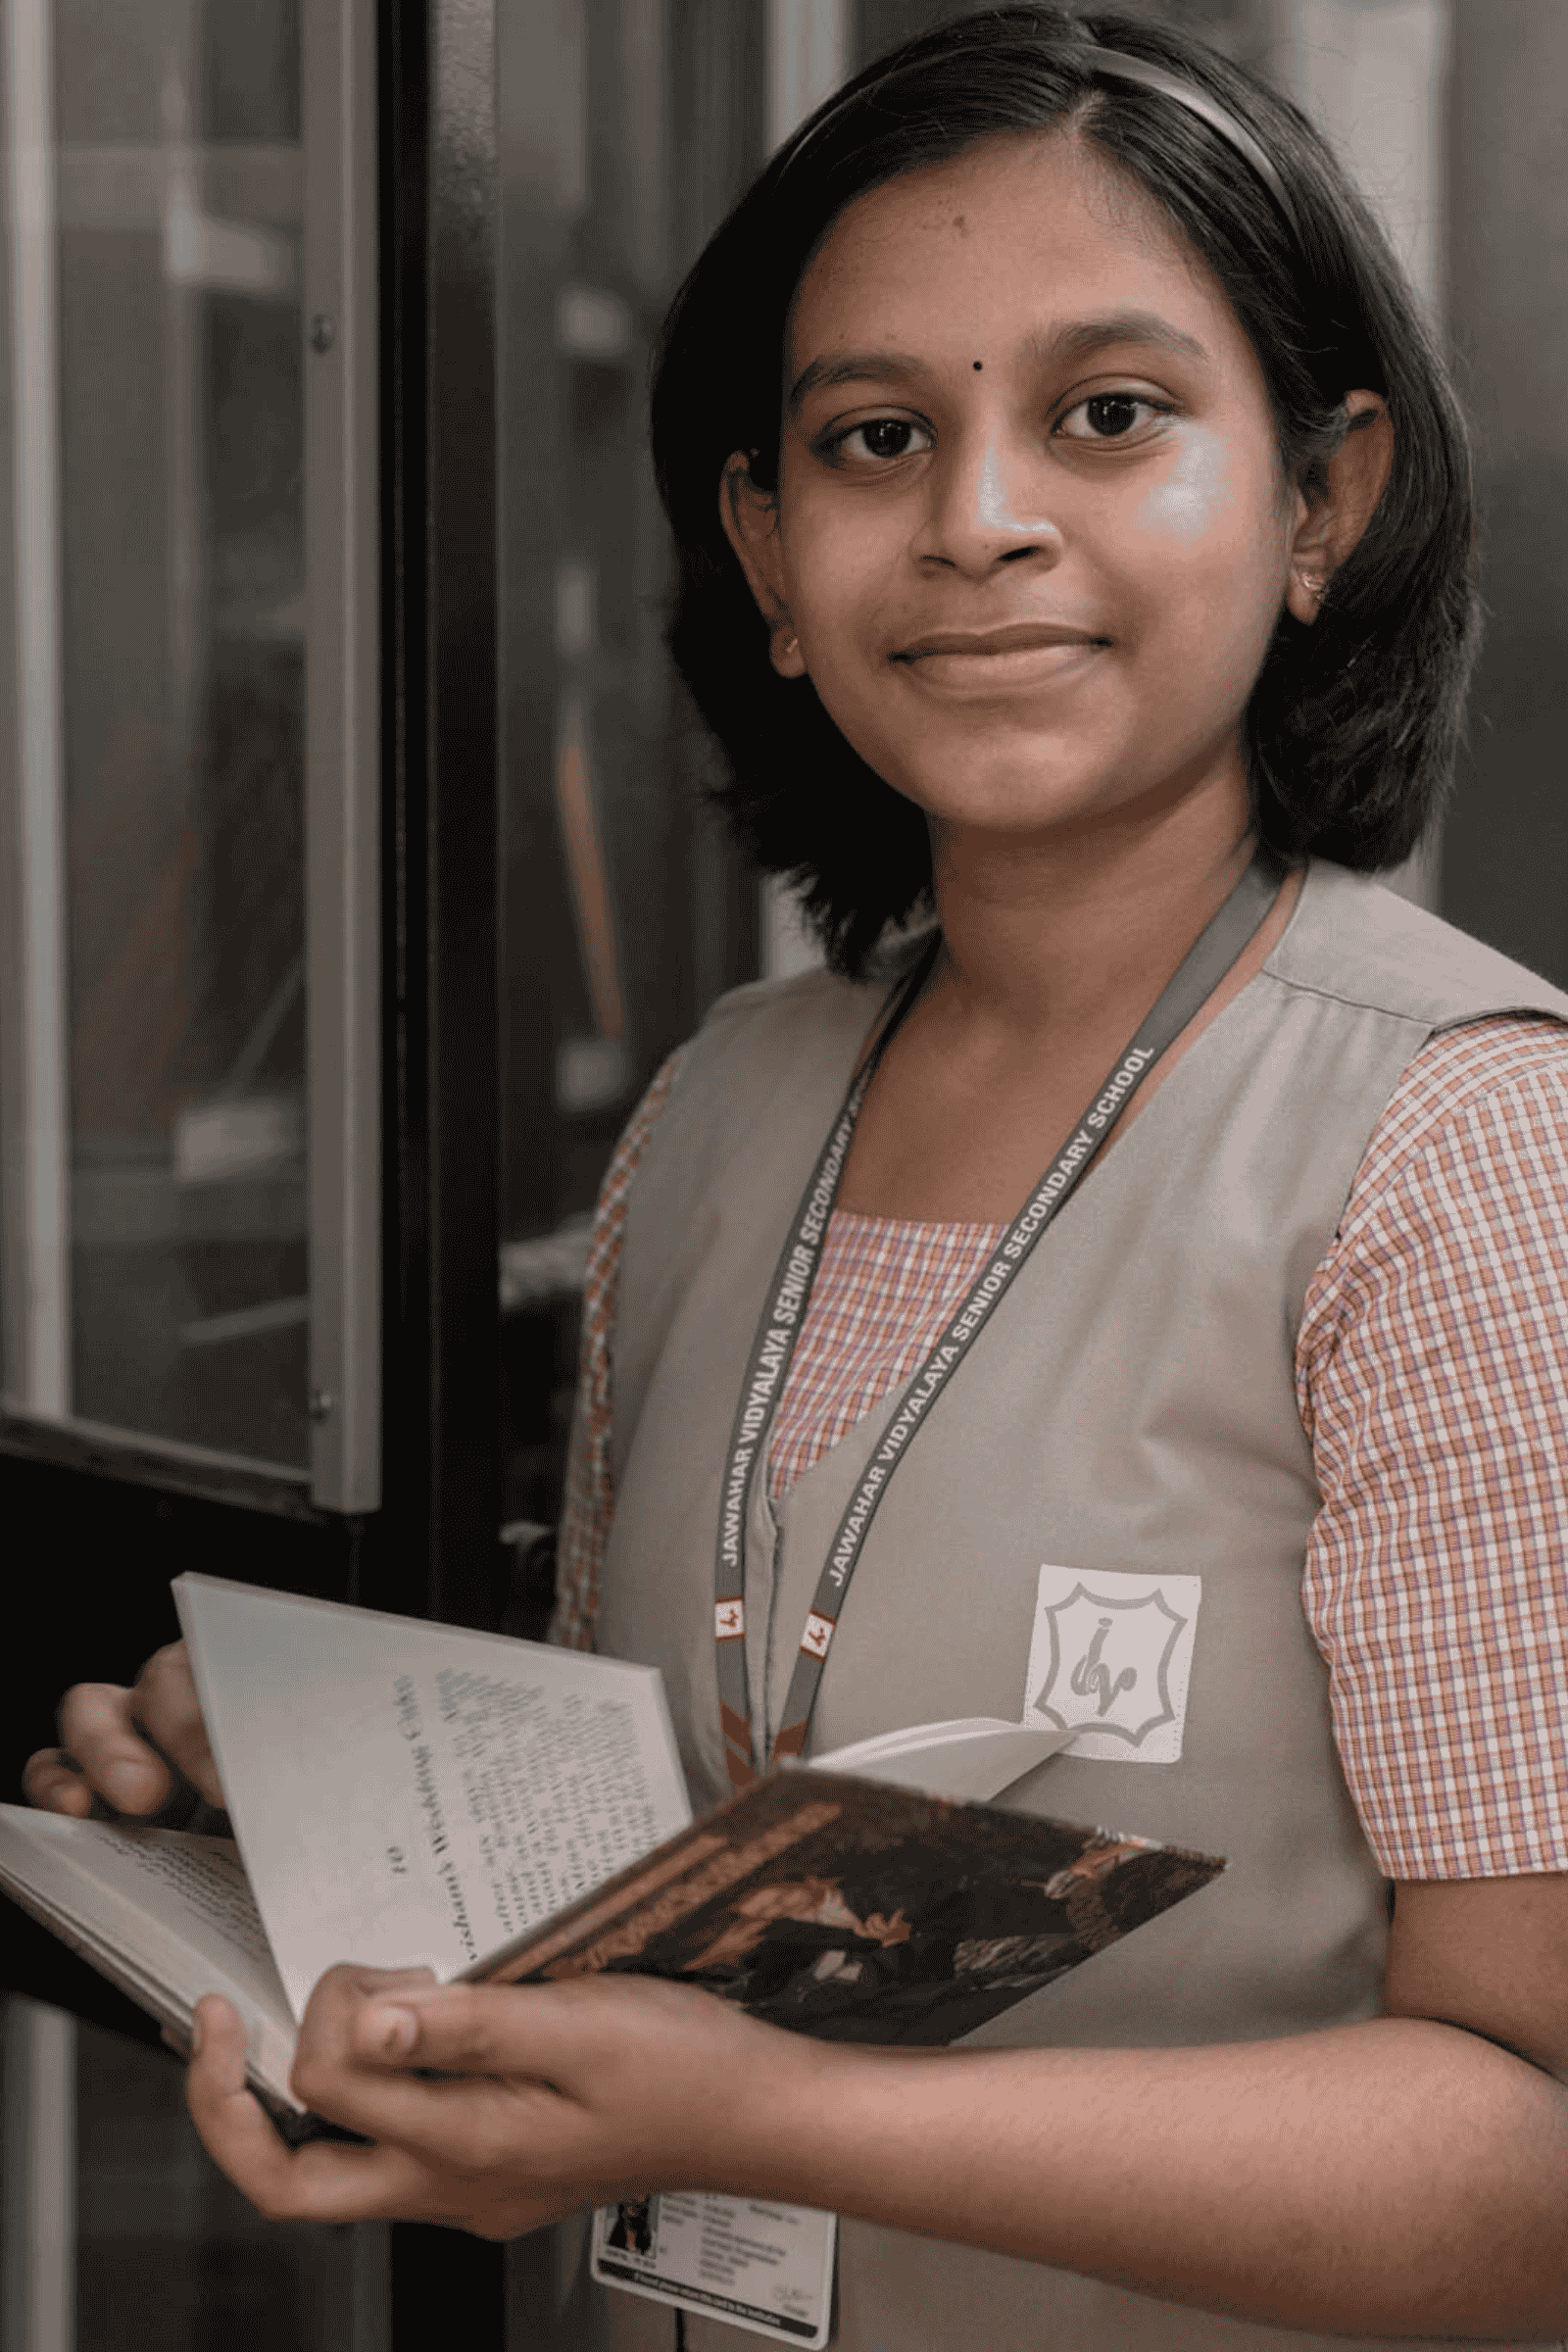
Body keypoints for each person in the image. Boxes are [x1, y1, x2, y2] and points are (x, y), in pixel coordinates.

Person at [24, 8, 1568, 2345]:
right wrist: (299, 1838)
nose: (974, 518)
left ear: (1321, 502)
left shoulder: (1458, 1152)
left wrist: (744, 2117)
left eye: (1109, 414)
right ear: (766, 546)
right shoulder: (729, 1105)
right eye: (873, 438)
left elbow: (1532, 2155)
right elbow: (685, 1881)